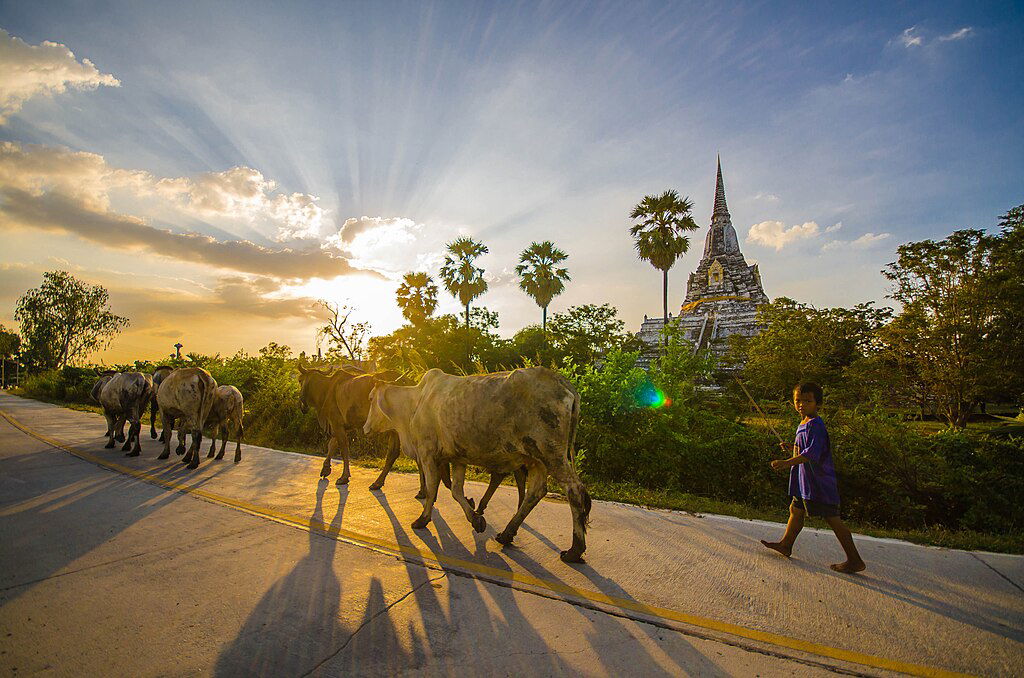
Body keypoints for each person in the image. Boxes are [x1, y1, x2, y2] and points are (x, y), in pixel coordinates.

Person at [760, 382, 865, 573]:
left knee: (832, 518)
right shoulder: (805, 422)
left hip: (818, 482)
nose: (801, 404)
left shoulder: (815, 425)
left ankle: (855, 560)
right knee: (796, 509)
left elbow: (812, 454)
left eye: (807, 401)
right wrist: (792, 447)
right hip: (804, 481)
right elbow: (804, 449)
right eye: (797, 400)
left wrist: (786, 462)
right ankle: (786, 544)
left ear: (818, 404)